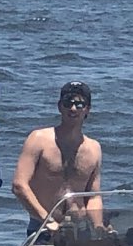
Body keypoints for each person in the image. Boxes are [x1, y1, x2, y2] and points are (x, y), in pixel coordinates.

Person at [12, 81, 103, 237]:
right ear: (60, 106)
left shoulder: (94, 148)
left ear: (87, 109)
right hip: (43, 228)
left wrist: (99, 226)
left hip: (80, 230)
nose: (73, 108)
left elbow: (93, 196)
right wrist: (47, 221)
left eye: (79, 104)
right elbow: (19, 186)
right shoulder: (38, 139)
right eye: (68, 103)